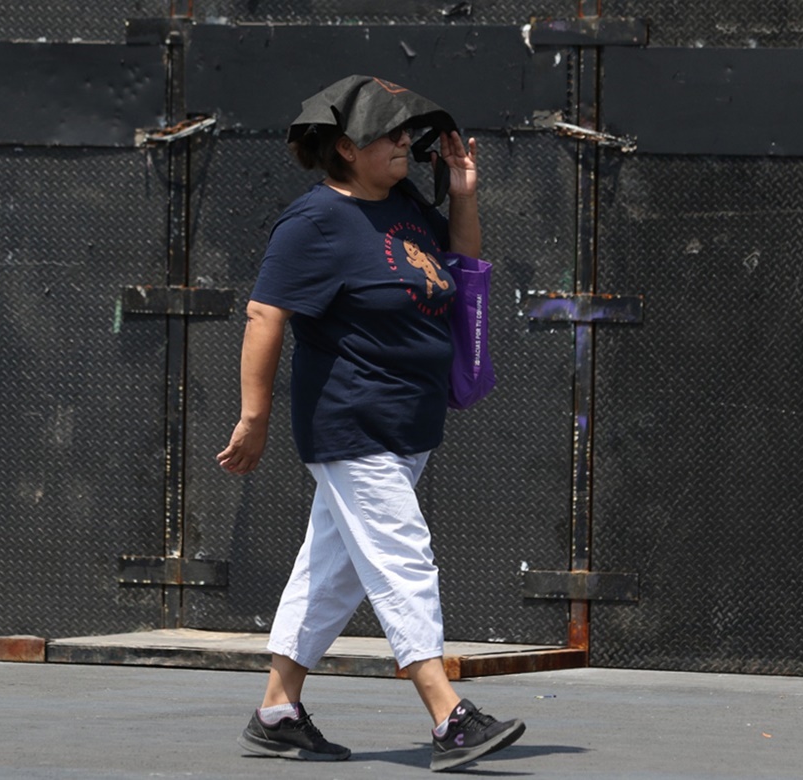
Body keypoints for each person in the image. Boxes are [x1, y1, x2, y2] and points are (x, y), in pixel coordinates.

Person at [216, 75, 525, 773]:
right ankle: (449, 715)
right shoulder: (313, 221)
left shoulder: (405, 203)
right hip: (350, 422)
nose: (406, 144)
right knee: (400, 559)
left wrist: (464, 190)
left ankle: (276, 712)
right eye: (392, 134)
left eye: (408, 133)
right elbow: (266, 317)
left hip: (406, 423)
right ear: (347, 148)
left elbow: (461, 265)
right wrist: (254, 417)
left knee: (331, 570)